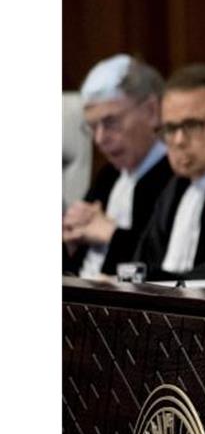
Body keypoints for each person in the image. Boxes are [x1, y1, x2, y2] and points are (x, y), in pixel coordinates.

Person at [133, 63, 205, 279]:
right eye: (170, 128)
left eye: (192, 125)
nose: (179, 140)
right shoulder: (169, 188)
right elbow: (143, 261)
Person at [63, 54, 172, 278]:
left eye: (110, 122)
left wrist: (110, 234)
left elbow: (164, 263)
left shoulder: (175, 177)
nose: (100, 139)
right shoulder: (109, 175)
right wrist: (70, 238)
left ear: (152, 111)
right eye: (92, 127)